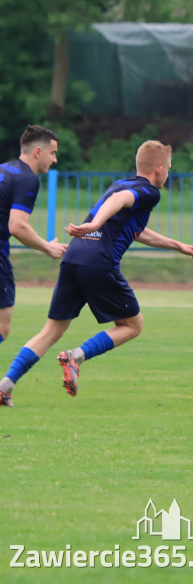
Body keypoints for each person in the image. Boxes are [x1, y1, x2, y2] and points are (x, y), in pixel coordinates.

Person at [0, 140, 193, 407]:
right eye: (168, 168)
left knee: (52, 329)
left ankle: (5, 385)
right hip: (99, 262)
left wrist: (178, 245)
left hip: (74, 258)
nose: (168, 174)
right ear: (158, 169)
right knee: (132, 325)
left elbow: (134, 228)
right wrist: (95, 223)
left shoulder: (121, 184)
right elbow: (119, 202)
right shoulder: (149, 192)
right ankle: (76, 356)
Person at [0, 125, 68, 406]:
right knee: (2, 326)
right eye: (52, 153)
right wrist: (48, 246)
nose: (54, 159)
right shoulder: (28, 179)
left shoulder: (4, 169)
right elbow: (17, 226)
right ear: (37, 151)